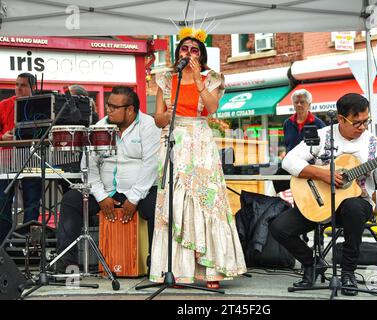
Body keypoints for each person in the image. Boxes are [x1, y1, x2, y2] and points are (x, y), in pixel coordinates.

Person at [269, 93, 377, 295]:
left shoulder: (375, 145)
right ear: (341, 119)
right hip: (321, 202)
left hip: (357, 207)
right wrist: (323, 174)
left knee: (353, 206)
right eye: (357, 122)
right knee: (278, 227)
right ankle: (312, 264)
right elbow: (289, 161)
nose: (363, 127)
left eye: (366, 121)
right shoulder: (323, 135)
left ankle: (348, 273)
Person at [149, 28, 247, 289]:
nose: (189, 53)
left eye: (194, 50)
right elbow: (158, 120)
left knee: (206, 201)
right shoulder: (165, 80)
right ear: (177, 53)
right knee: (175, 200)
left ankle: (210, 270)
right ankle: (179, 271)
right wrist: (166, 114)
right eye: (184, 49)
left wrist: (199, 83)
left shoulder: (213, 78)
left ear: (201, 55)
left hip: (200, 139)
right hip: (173, 139)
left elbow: (213, 108)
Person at [55, 86, 160, 273]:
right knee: (71, 200)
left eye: (114, 107)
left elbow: (150, 165)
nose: (108, 110)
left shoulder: (149, 126)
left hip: (140, 191)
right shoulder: (100, 127)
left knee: (158, 206)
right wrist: (101, 196)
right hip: (106, 191)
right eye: (108, 105)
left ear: (130, 109)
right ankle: (66, 264)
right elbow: (89, 167)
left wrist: (134, 198)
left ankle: (156, 266)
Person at [0, 73, 43, 244]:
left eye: (23, 85)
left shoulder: (41, 106)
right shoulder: (3, 105)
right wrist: (3, 136)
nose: (18, 88)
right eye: (17, 84)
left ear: (33, 88)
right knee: (2, 202)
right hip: (6, 160)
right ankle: (3, 243)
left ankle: (30, 244)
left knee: (32, 201)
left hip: (32, 158)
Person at [283, 89, 325, 153]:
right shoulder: (287, 123)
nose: (299, 104)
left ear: (309, 104)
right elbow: (287, 145)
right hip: (291, 161)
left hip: (311, 162)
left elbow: (323, 145)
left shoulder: (318, 123)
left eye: (302, 102)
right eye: (296, 102)